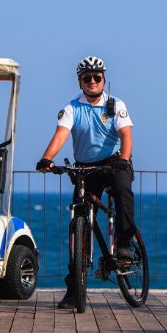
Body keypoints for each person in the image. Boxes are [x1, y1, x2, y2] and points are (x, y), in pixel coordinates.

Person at [36, 56, 136, 309]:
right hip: (85, 168)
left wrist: (124, 160)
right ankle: (74, 290)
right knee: (78, 221)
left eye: (97, 77)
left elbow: (126, 135)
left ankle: (124, 244)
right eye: (87, 77)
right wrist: (47, 158)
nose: (92, 81)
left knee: (123, 190)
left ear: (104, 79)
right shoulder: (71, 108)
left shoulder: (115, 105)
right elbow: (61, 134)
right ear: (80, 81)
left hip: (114, 163)